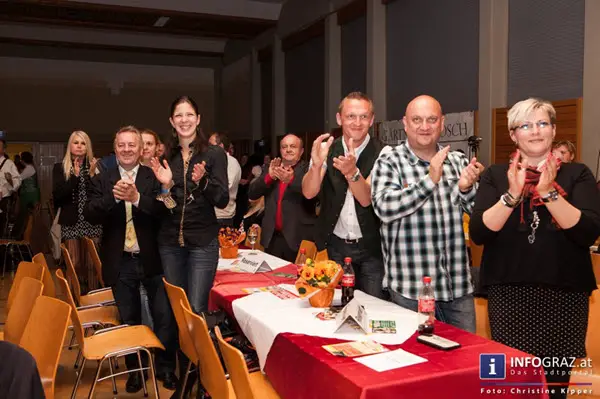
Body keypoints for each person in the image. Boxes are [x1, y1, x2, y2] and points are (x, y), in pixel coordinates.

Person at [470, 98, 600, 399]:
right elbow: (479, 232)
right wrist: (512, 195)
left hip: (564, 297)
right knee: (511, 387)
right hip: (510, 297)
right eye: (525, 125)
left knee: (553, 388)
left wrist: (547, 193)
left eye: (542, 123)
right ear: (514, 134)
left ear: (554, 130)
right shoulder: (496, 175)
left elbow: (587, 232)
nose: (535, 131)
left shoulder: (577, 174)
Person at [371, 95, 484, 332]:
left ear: (442, 123)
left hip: (457, 287)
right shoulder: (389, 160)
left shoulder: (457, 160)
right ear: (405, 123)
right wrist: (429, 181)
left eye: (431, 119)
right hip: (409, 289)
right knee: (415, 363)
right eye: (417, 120)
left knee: (466, 362)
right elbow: (384, 208)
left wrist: (466, 189)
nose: (424, 126)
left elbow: (479, 215)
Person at [86, 126, 178, 392]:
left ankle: (166, 369)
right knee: (129, 319)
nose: (127, 150)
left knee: (163, 317)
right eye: (122, 145)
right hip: (120, 261)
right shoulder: (104, 178)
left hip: (152, 259)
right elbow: (91, 213)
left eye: (132, 145)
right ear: (115, 149)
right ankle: (136, 372)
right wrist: (112, 198)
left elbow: (167, 211)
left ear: (141, 150)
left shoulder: (153, 177)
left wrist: (137, 198)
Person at [302, 91, 386, 298]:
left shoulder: (383, 153)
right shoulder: (326, 148)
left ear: (372, 120)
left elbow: (366, 199)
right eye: (351, 116)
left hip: (372, 248)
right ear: (339, 118)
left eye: (364, 116)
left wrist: (352, 172)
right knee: (335, 305)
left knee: (373, 309)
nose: (357, 123)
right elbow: (309, 192)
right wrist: (317, 165)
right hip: (335, 245)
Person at [150, 96, 228, 315]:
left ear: (198, 119)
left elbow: (221, 200)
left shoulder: (214, 154)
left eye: (189, 115)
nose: (184, 120)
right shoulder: (166, 156)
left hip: (202, 241)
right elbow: (162, 207)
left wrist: (203, 182)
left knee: (195, 309)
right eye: (179, 115)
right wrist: (165, 187)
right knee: (176, 308)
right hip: (170, 243)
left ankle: (195, 350)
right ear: (172, 121)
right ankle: (179, 350)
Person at [249, 134, 317, 262]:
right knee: (271, 279)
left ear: (301, 151)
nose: (288, 149)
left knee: (296, 280)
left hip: (297, 238)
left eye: (293, 146)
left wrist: (291, 180)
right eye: (284, 147)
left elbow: (314, 195)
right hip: (272, 238)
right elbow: (252, 194)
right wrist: (269, 177)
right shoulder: (273, 168)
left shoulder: (309, 170)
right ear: (280, 150)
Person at [52, 131, 102, 292]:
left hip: (92, 221)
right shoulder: (60, 168)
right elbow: (58, 196)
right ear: (70, 146)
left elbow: (101, 195)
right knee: (74, 263)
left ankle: (93, 302)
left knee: (92, 264)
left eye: (83, 143)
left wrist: (94, 176)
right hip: (71, 221)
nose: (79, 146)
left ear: (88, 147)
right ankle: (75, 300)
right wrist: (74, 176)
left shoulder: (95, 166)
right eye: (76, 142)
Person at [208, 132, 241, 227]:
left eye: (211, 145)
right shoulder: (216, 160)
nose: (208, 149)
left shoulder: (231, 162)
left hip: (222, 216)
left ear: (220, 146)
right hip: (214, 215)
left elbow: (225, 187)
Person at [15, 152, 40, 239]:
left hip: (29, 195)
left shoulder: (29, 168)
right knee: (25, 217)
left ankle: (23, 237)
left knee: (25, 217)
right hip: (29, 194)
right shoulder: (29, 168)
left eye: (21, 158)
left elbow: (19, 178)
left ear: (23, 160)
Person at [0, 141, 21, 237]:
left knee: (3, 225)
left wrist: (10, 181)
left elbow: (18, 182)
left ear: (4, 149)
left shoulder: (9, 164)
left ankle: (2, 248)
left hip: (4, 200)